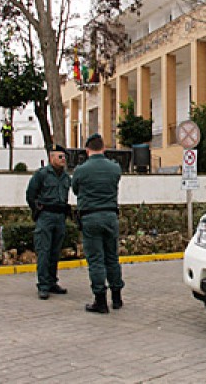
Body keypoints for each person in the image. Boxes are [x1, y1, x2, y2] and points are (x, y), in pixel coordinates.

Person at [72, 133, 123, 314]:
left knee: (96, 261)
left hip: (90, 217)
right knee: (112, 258)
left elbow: (75, 189)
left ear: (87, 150)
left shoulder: (81, 170)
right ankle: (117, 298)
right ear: (104, 148)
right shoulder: (115, 168)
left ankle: (100, 301)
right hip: (110, 216)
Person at [26, 144, 71, 300]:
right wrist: (37, 210)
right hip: (46, 215)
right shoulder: (42, 174)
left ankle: (52, 282)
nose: (63, 159)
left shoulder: (66, 177)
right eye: (60, 157)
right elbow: (31, 194)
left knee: (55, 251)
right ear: (51, 158)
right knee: (44, 251)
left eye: (64, 157)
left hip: (60, 216)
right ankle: (43, 285)